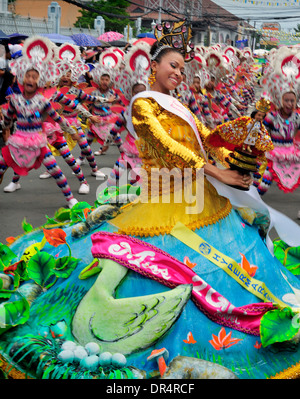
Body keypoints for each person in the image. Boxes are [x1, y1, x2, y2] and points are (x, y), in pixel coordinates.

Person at [2, 26, 300, 381]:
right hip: (163, 198)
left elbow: (205, 138)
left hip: (201, 198)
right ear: (153, 67)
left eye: (181, 69)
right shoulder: (143, 105)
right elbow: (168, 147)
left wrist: (237, 152)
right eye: (171, 65)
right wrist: (219, 174)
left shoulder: (180, 105)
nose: (177, 73)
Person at [254, 48, 300, 219]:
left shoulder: (297, 118)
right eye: (286, 100)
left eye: (292, 100)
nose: (289, 103)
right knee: (263, 181)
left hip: (291, 152)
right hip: (272, 153)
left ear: (296, 102)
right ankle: (252, 204)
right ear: (280, 100)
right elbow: (261, 132)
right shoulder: (271, 117)